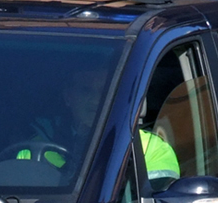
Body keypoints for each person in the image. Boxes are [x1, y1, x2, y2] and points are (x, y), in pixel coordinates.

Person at [16, 68, 180, 180]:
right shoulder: (33, 150)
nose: (95, 101)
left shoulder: (150, 149)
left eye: (104, 92)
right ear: (68, 97)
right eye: (86, 91)